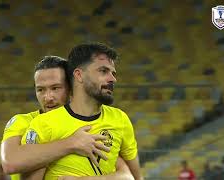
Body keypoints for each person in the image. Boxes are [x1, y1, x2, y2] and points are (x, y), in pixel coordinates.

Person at [22, 43, 142, 179]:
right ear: (79, 75)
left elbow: (135, 177)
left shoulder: (120, 119)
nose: (112, 79)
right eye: (103, 71)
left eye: (113, 73)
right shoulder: (44, 124)